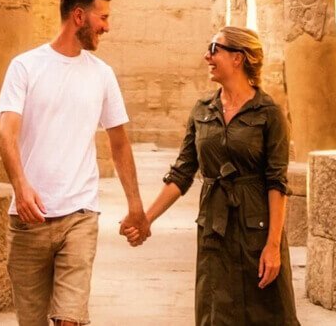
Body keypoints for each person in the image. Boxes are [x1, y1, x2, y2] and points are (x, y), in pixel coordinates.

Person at [0, 0, 151, 326]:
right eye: (103, 18)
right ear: (79, 16)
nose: (107, 27)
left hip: (80, 214)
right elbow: (6, 134)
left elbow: (119, 143)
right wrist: (21, 188)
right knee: (31, 321)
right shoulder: (25, 66)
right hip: (29, 219)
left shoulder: (102, 75)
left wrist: (136, 206)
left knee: (71, 320)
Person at [128, 26, 300, 325]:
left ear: (238, 58)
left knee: (266, 314)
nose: (206, 56)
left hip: (256, 227)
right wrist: (146, 218)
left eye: (214, 49)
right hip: (214, 228)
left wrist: (273, 246)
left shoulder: (269, 113)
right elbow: (182, 173)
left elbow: (277, 182)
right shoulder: (202, 110)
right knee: (215, 312)